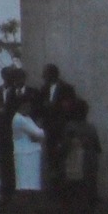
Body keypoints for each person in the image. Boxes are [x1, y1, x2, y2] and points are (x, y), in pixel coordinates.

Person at [61, 98, 108, 214]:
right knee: (89, 197)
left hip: (76, 166)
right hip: (90, 166)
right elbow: (98, 148)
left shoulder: (70, 127)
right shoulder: (91, 127)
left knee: (75, 198)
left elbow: (65, 148)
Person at [39, 63, 76, 191]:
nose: (43, 76)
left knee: (62, 159)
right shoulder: (43, 89)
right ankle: (53, 187)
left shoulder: (66, 89)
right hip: (49, 129)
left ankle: (63, 187)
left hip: (61, 128)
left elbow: (70, 108)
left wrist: (55, 107)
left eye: (46, 73)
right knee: (51, 158)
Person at [0, 66, 18, 204]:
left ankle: (12, 184)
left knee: (13, 156)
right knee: (2, 156)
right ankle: (3, 183)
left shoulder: (17, 91)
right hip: (1, 127)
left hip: (13, 126)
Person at [11, 96, 45, 192]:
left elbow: (38, 134)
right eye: (28, 106)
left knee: (33, 181)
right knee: (24, 182)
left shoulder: (27, 118)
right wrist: (40, 132)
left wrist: (38, 134)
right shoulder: (19, 119)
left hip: (33, 152)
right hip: (24, 154)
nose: (29, 109)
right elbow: (38, 133)